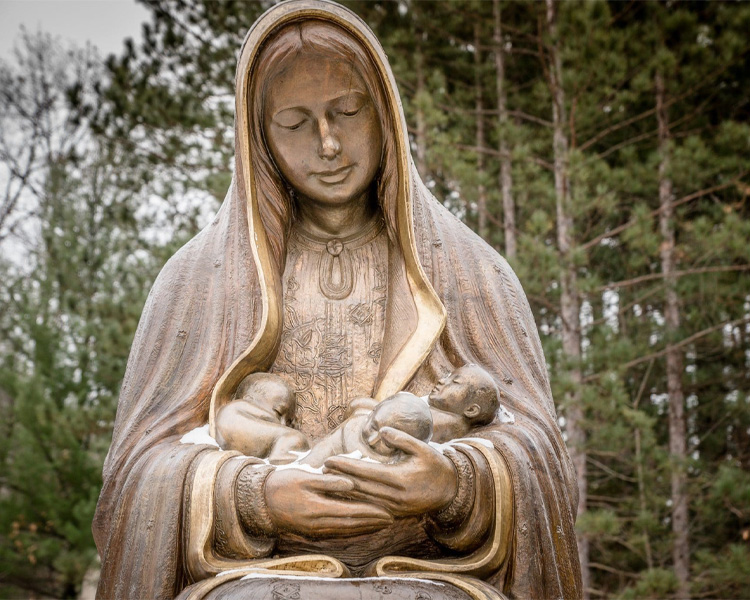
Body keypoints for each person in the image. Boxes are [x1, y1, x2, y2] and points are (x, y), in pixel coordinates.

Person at [92, 2, 582, 599]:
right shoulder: (200, 280)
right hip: (255, 579)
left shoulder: (469, 271)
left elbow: (540, 459)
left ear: (385, 116)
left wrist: (454, 482)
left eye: (348, 112)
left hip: (431, 576)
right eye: (295, 123)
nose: (327, 144)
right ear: (260, 139)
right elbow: (136, 479)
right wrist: (256, 496)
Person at [301, 392, 433, 467]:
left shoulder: (398, 465)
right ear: (372, 412)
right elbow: (310, 464)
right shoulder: (350, 429)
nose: (372, 440)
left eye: (387, 442)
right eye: (373, 427)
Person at [214, 373, 310, 464]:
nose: (283, 424)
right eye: (278, 412)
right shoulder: (237, 407)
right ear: (249, 400)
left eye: (288, 422)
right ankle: (283, 456)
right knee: (296, 437)